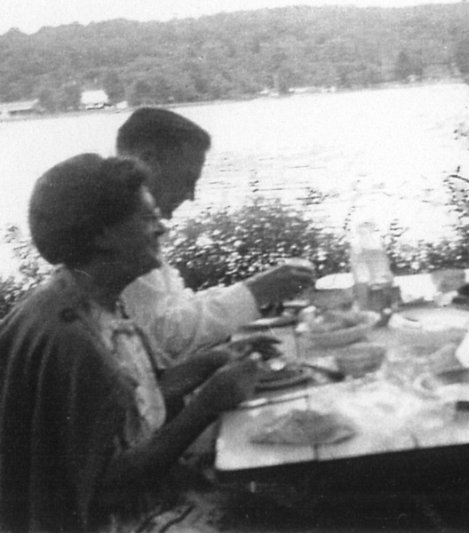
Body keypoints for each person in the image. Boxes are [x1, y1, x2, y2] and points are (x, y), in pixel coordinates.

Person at [0, 154, 263, 531]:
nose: (164, 228)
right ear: (101, 234)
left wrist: (216, 359)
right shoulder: (74, 340)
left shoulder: (86, 297)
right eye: (148, 218)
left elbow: (132, 401)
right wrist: (206, 405)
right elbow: (107, 487)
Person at [116, 107, 315, 363]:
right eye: (188, 180)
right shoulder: (121, 238)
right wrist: (255, 292)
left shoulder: (137, 226)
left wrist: (259, 291)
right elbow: (166, 337)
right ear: (149, 161)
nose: (191, 195)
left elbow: (176, 308)